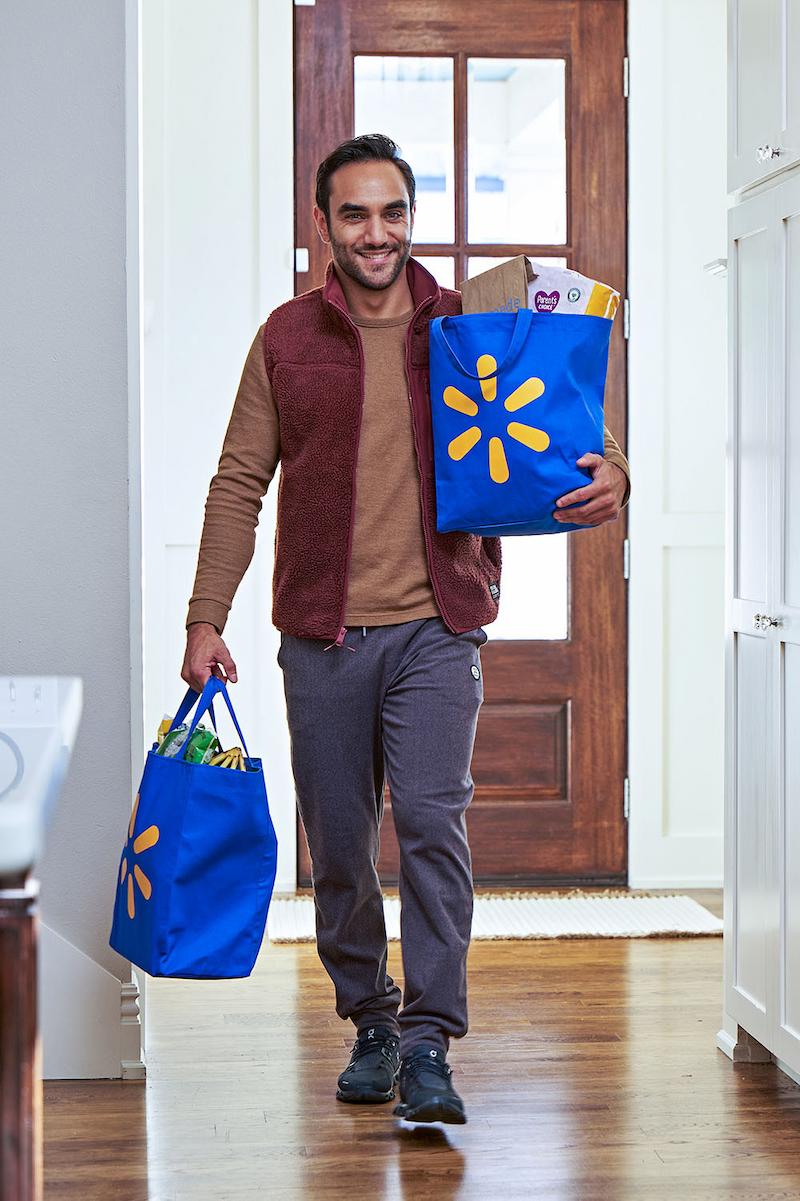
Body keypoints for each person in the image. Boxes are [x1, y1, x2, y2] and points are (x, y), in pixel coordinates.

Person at [182, 133, 631, 1125]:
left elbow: (562, 416)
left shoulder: (465, 320)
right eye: (354, 214)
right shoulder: (286, 338)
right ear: (324, 224)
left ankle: (429, 1039)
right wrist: (204, 616)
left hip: (439, 627)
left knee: (431, 828)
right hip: (323, 639)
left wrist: (615, 468)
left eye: (391, 212)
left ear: (410, 218)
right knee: (339, 846)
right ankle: (372, 1023)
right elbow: (236, 485)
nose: (375, 232)